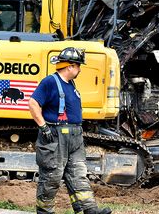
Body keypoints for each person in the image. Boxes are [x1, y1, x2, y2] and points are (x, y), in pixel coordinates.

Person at [28, 47, 111, 214]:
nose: (80, 69)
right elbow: (32, 103)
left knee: (78, 174)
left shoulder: (71, 84)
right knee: (52, 176)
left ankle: (89, 210)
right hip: (55, 136)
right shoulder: (50, 82)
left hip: (74, 136)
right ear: (70, 66)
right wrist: (43, 126)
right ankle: (44, 212)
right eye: (78, 66)